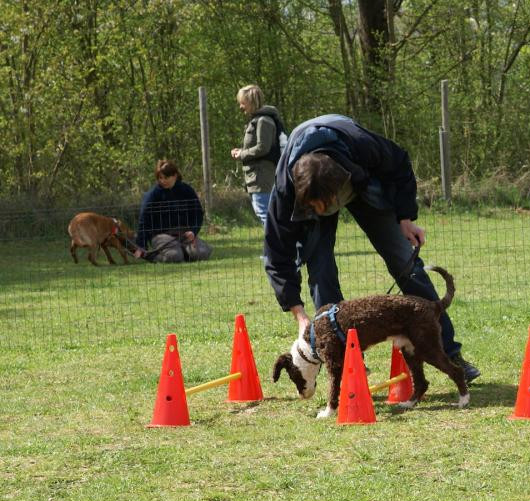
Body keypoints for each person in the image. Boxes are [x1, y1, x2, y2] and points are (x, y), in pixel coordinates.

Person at [262, 114, 480, 381]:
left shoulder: (361, 146)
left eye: (328, 205)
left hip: (363, 185)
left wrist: (405, 217)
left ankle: (449, 354)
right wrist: (299, 315)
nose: (326, 211)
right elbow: (276, 254)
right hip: (314, 192)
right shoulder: (285, 191)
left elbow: (400, 162)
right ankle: (349, 366)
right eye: (318, 208)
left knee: (405, 262)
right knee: (321, 271)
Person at [133, 160, 212, 262]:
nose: (162, 181)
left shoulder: (187, 190)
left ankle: (185, 252)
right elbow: (143, 220)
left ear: (175, 176)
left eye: (166, 178)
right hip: (161, 235)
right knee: (174, 256)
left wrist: (193, 231)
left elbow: (198, 213)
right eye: (160, 178)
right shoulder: (152, 195)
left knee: (202, 253)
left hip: (184, 233)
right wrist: (141, 245)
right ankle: (152, 256)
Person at [230, 84, 285, 227]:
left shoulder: (263, 121)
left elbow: (263, 148)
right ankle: (277, 241)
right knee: (267, 215)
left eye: (242, 102)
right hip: (257, 176)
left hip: (262, 176)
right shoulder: (257, 120)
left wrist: (242, 154)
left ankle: (275, 242)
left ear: (251, 101)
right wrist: (241, 151)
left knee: (264, 214)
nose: (240, 106)